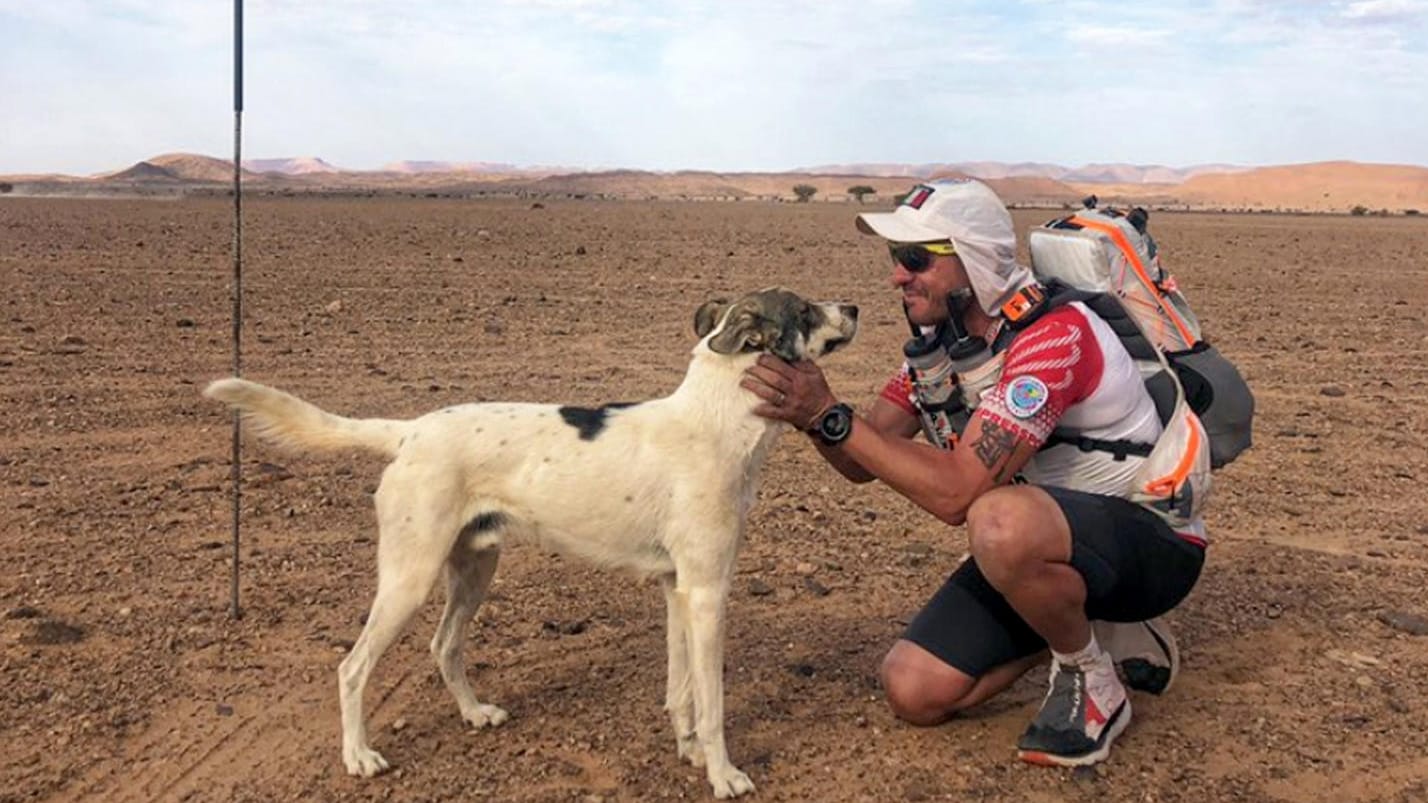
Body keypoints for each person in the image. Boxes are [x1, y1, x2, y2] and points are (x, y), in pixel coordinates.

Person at [740, 179, 1207, 766]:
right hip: (1052, 541)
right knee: (914, 689)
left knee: (997, 520)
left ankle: (1093, 680)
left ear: (974, 262)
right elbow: (866, 458)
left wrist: (831, 414)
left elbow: (958, 493)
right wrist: (813, 416)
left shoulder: (1055, 338)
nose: (897, 276)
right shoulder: (944, 351)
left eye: (915, 259)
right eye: (895, 259)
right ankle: (1098, 626)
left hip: (1152, 543)